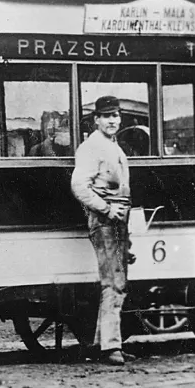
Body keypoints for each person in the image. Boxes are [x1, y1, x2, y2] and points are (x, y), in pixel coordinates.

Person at [71, 96, 135, 366]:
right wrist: (106, 210)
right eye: (106, 116)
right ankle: (111, 348)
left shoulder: (111, 145)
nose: (112, 120)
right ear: (96, 119)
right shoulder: (91, 147)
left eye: (116, 115)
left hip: (118, 220)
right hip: (105, 221)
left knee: (117, 281)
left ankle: (103, 343)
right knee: (113, 282)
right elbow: (79, 186)